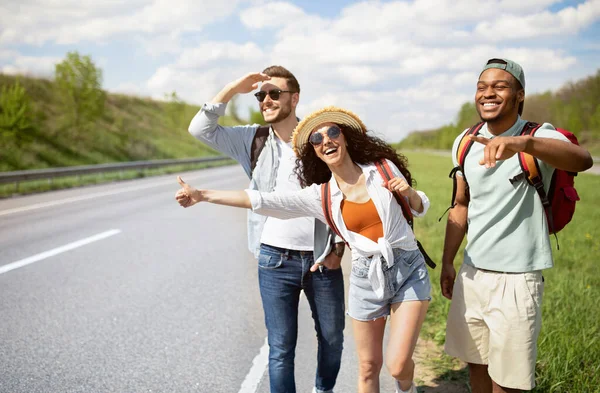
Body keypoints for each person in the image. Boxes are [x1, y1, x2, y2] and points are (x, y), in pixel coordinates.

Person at [177, 106, 432, 393]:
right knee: (368, 368)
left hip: (407, 267)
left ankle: (406, 388)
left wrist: (410, 194)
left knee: (397, 365)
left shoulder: (382, 169)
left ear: (345, 137)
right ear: (315, 152)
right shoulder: (320, 196)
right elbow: (260, 200)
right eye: (317, 139)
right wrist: (203, 195)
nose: (327, 141)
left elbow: (420, 206)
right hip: (365, 277)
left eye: (333, 132)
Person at [186, 66, 345, 393]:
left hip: (322, 258)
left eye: (275, 93)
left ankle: (323, 390)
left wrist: (339, 246)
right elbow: (200, 129)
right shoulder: (253, 139)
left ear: (295, 98)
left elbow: (345, 191)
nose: (266, 100)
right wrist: (232, 88)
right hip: (274, 260)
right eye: (261, 95)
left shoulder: (320, 138)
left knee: (332, 339)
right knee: (281, 347)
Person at [440, 58, 593, 393]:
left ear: (519, 95)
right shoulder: (464, 142)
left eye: (500, 86)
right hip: (472, 273)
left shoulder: (538, 136)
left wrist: (521, 144)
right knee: (477, 369)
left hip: (518, 279)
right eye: (482, 87)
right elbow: (461, 204)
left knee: (508, 383)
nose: (488, 93)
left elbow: (583, 160)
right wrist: (448, 262)